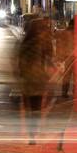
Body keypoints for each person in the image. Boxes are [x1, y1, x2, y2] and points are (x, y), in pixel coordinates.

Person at [16, 15, 54, 145]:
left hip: (27, 80)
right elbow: (50, 56)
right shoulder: (41, 43)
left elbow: (19, 63)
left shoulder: (24, 43)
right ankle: (34, 133)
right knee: (37, 109)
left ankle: (31, 134)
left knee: (29, 108)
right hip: (38, 79)